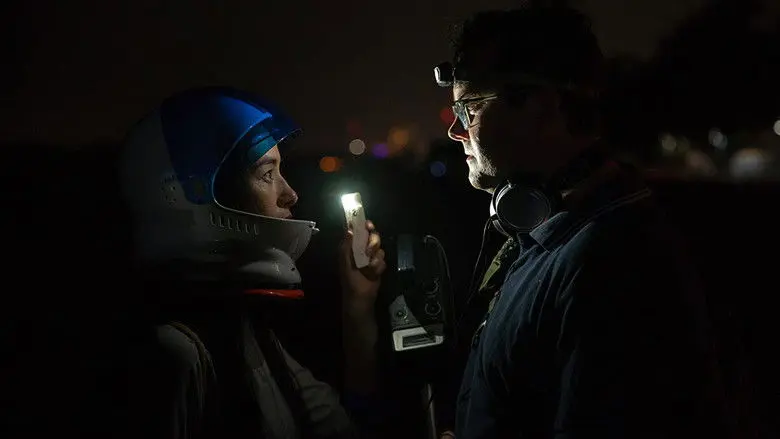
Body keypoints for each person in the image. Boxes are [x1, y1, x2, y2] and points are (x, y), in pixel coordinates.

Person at [432, 7, 733, 439]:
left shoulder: (613, 262)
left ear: (541, 106)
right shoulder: (555, 233)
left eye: (469, 109)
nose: (455, 132)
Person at [115, 86, 386, 439]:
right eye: (266, 174)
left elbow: (347, 430)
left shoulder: (249, 335)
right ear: (195, 196)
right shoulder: (173, 355)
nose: (291, 194)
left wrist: (358, 305)